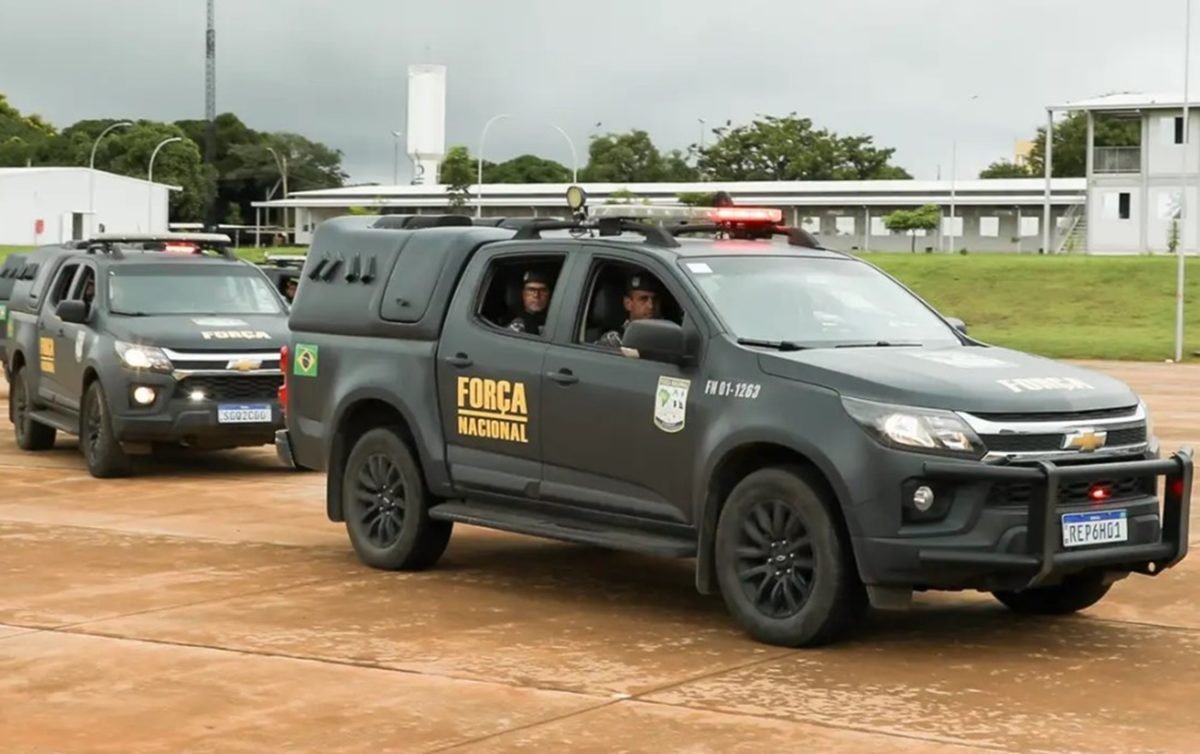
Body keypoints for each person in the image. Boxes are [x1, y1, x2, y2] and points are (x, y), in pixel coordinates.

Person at [594, 272, 662, 348]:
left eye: (655, 299)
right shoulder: (614, 341)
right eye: (643, 299)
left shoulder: (667, 338)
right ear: (628, 303)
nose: (651, 306)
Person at [507, 269, 553, 335]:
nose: (536, 295)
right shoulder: (518, 325)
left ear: (549, 294)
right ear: (523, 294)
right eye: (531, 290)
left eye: (542, 290)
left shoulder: (557, 318)